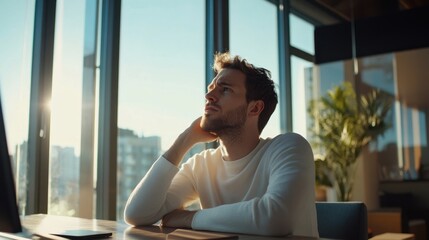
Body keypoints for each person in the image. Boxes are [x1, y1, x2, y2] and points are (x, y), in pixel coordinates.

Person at [123, 52, 319, 237]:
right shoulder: (201, 165)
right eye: (211, 89)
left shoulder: (288, 148)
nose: (209, 96)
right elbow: (137, 214)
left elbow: (276, 218)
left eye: (225, 89)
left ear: (255, 108)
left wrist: (189, 218)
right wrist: (184, 141)